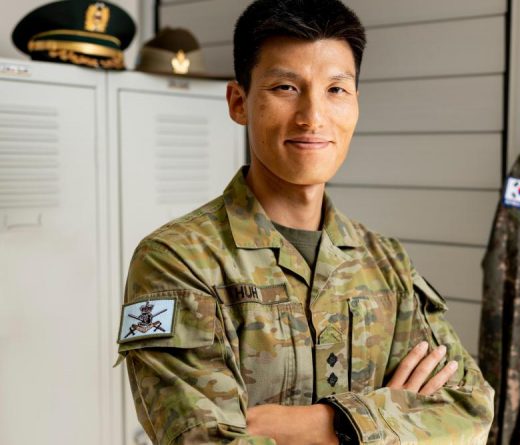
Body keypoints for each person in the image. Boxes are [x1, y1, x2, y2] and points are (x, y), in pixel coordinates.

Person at [115, 0, 494, 444]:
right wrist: (392, 416)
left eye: (336, 89)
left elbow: (470, 410)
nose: (313, 117)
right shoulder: (178, 260)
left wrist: (334, 426)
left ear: (355, 104)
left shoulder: (386, 261)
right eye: (285, 87)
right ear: (239, 102)